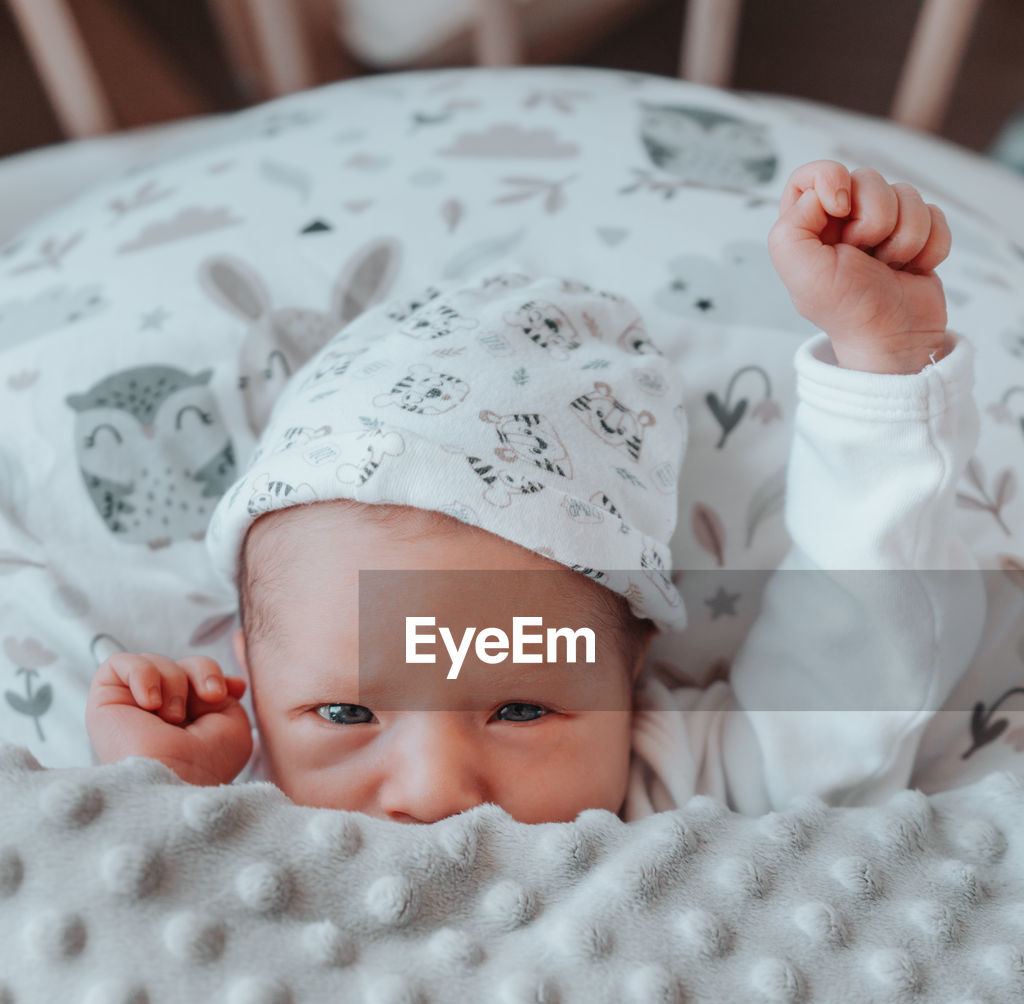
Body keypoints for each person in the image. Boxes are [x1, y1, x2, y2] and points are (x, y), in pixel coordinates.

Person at [85, 159, 984, 825]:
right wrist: (161, 797)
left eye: (520, 708)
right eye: (345, 712)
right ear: (248, 676)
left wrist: (881, 372)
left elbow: (848, 679)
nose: (436, 791)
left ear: (627, 677)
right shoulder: (248, 808)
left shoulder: (670, 792)